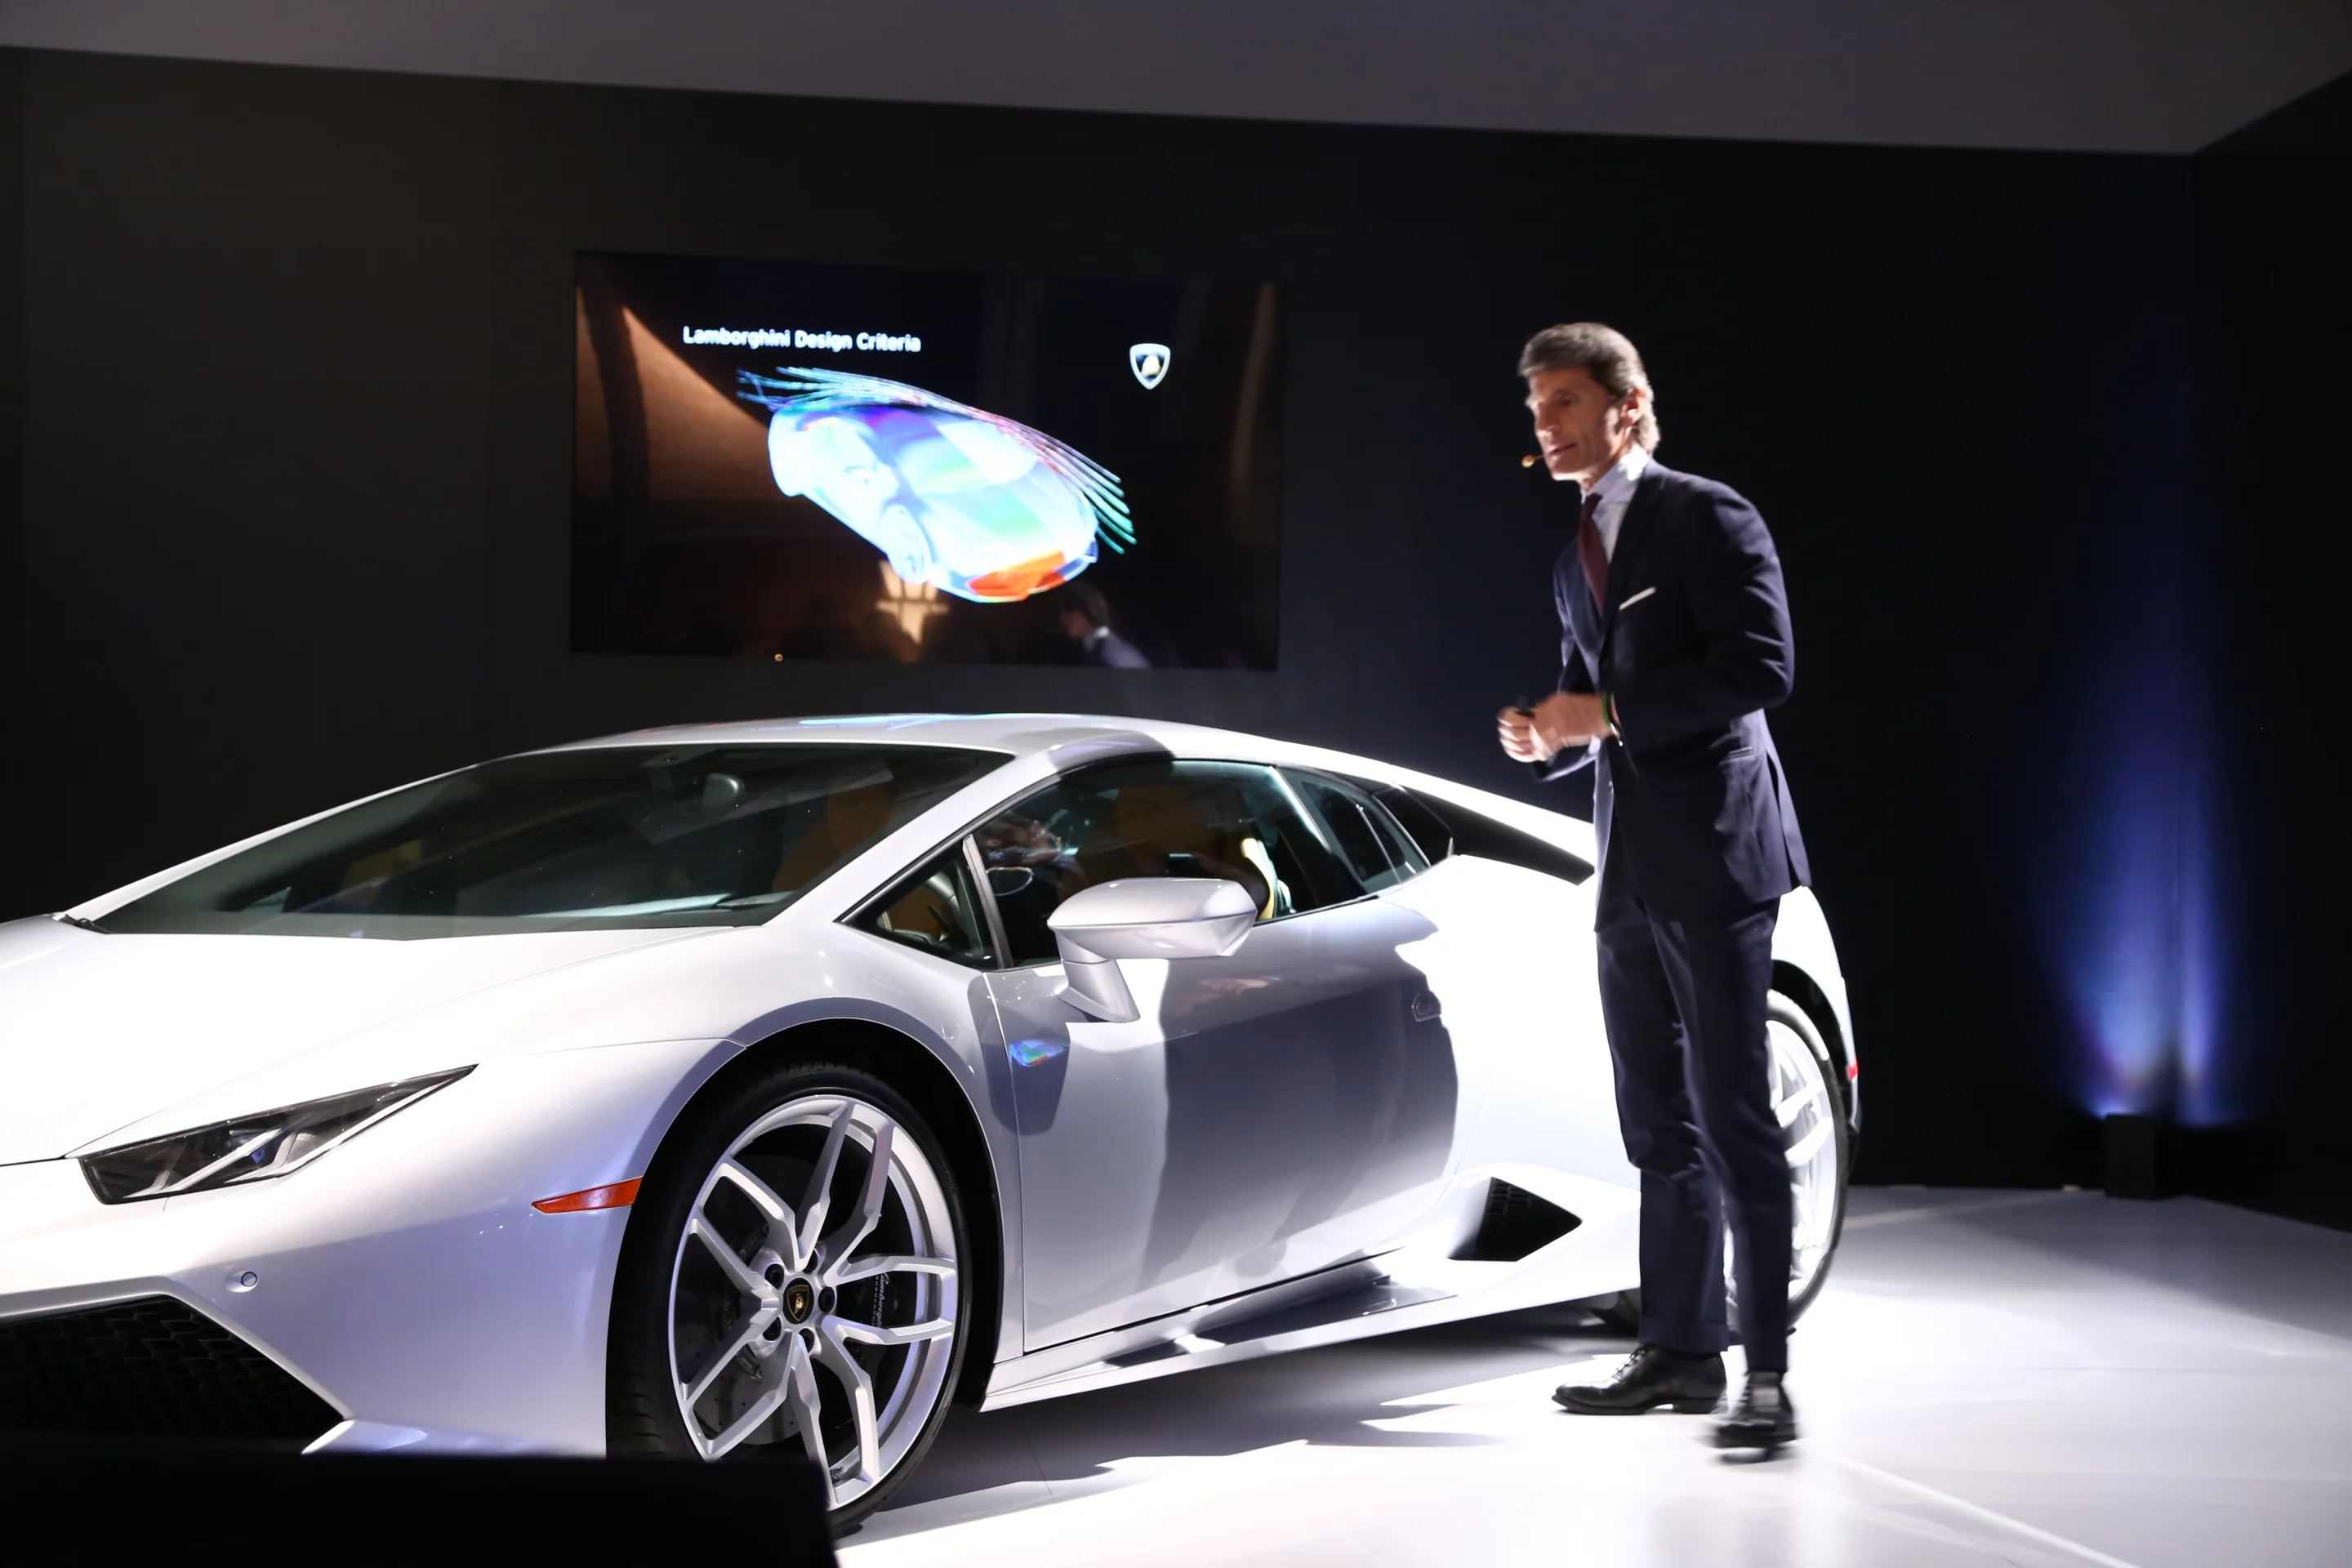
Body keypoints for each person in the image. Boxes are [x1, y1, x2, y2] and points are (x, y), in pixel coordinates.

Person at [1499, 323, 1811, 1454]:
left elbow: (1761, 668)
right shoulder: (1569, 551)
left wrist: (1610, 717)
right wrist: (1552, 739)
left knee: (1734, 1113)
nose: (1548, 424)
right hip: (1627, 859)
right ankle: (1681, 1352)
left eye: (1568, 402)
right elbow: (1592, 700)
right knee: (1655, 1122)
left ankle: (1765, 1372)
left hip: (1720, 856)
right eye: (1538, 408)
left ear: (1629, 406)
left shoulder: (1708, 515)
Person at [1057, 583, 1152, 668]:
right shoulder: (1093, 648)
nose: (1062, 619)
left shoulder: (1114, 653)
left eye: (1065, 613)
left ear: (1079, 616)